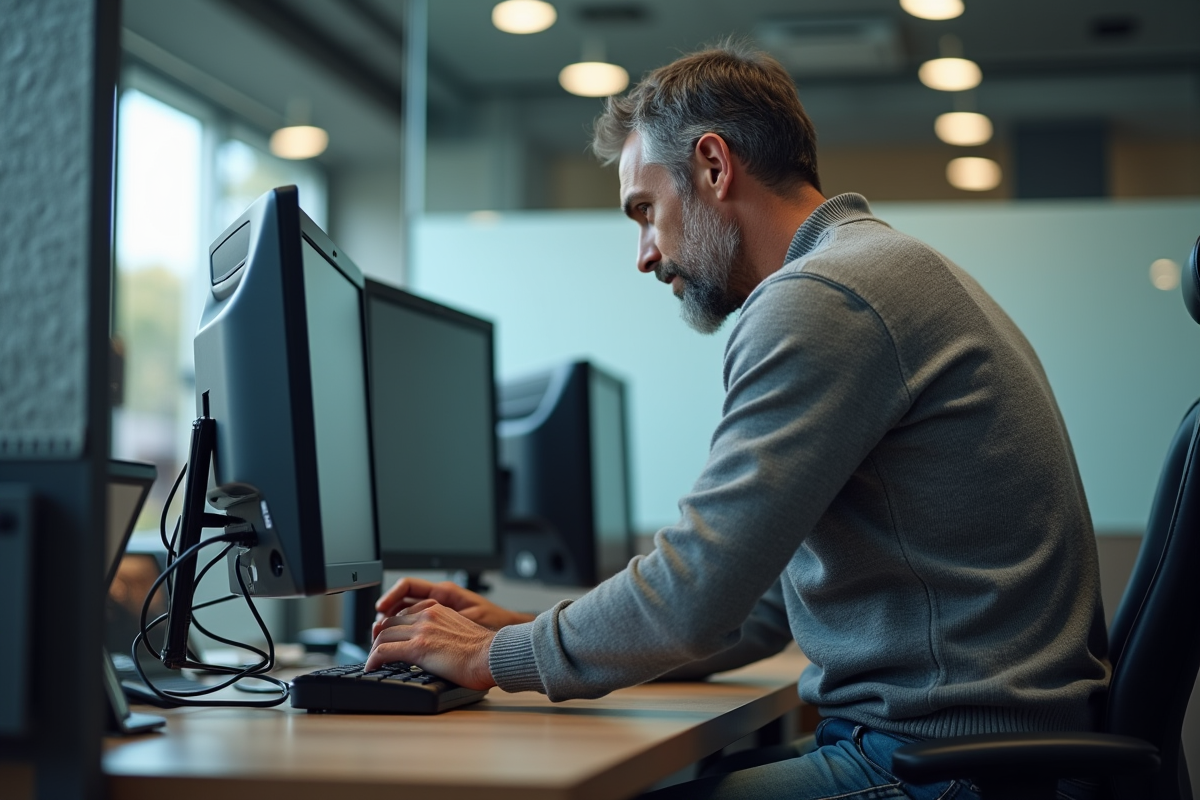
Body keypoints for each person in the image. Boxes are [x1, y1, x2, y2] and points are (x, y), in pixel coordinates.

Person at [365, 41, 1110, 800]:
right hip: (970, 753)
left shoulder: (824, 297)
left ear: (714, 166)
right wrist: (515, 628)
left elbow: (696, 599)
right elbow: (752, 612)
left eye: (645, 212)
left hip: (941, 769)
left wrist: (496, 658)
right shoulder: (876, 272)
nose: (645, 256)